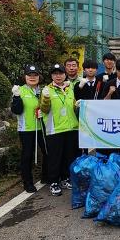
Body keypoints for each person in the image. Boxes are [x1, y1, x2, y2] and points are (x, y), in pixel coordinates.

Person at [40, 63, 79, 196]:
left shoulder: (70, 87)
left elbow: (72, 104)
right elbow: (44, 109)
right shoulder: (47, 90)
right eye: (55, 74)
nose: (58, 76)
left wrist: (77, 105)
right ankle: (53, 182)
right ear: (51, 76)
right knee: (55, 157)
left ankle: (65, 178)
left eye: (60, 73)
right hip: (55, 129)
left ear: (65, 74)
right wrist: (45, 99)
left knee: (68, 156)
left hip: (71, 127)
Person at [10, 65, 48, 193]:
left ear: (39, 77)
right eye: (29, 75)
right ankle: (28, 183)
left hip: (42, 127)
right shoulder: (19, 90)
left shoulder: (42, 91)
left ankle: (45, 176)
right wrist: (16, 97)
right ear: (24, 77)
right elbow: (17, 110)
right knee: (27, 155)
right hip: (26, 129)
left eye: (35, 75)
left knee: (47, 151)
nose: (32, 77)